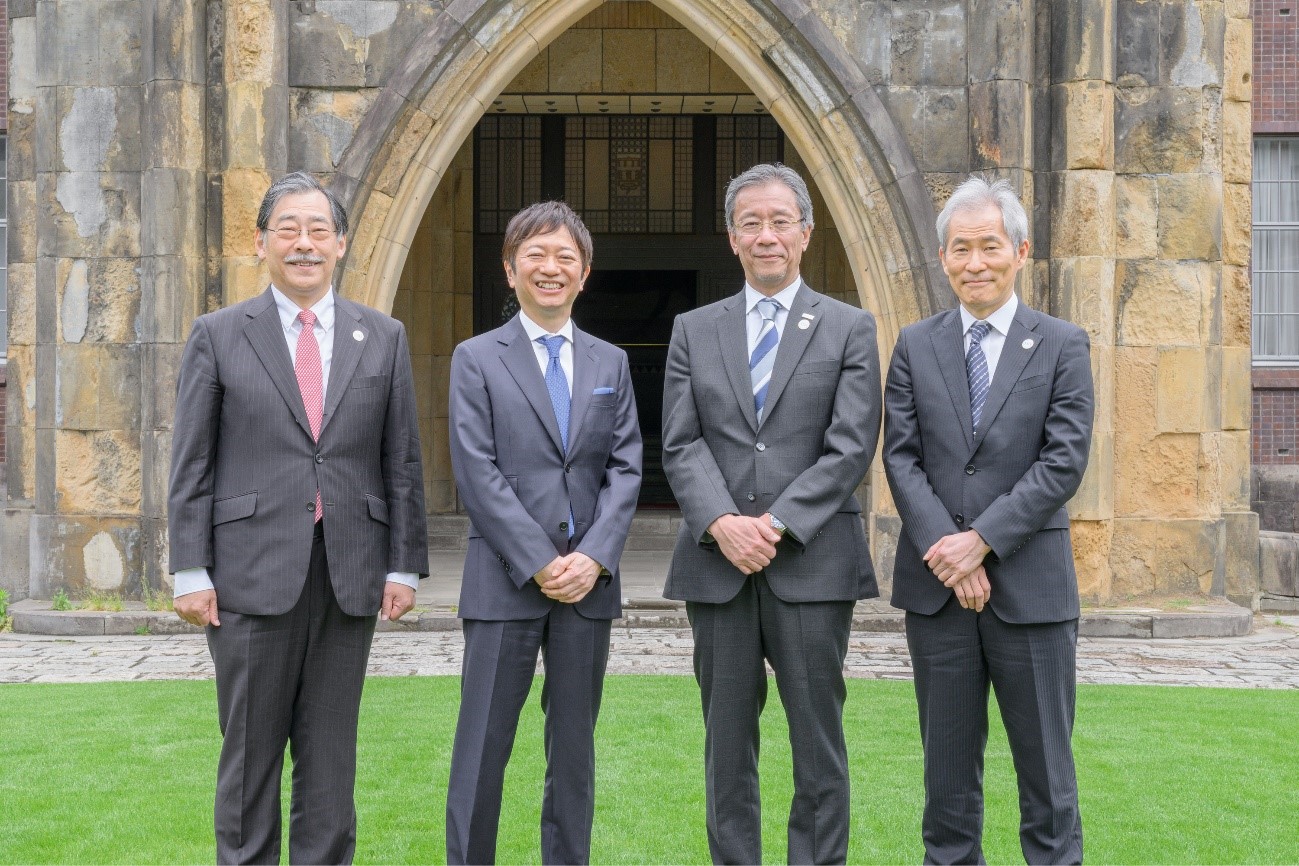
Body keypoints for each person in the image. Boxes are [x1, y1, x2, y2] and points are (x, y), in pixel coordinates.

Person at [168, 171, 429, 864]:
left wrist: (404, 564)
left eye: (318, 230)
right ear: (261, 243)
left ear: (341, 243)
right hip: (248, 576)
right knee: (250, 758)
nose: (304, 244)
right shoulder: (219, 335)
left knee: (330, 761)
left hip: (350, 575)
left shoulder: (384, 337)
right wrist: (189, 570)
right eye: (288, 229)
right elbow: (191, 462)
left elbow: (400, 460)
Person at [661, 163, 881, 864]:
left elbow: (849, 445)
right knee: (726, 747)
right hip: (716, 567)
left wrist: (776, 524)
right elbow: (680, 440)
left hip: (810, 563)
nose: (766, 236)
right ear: (731, 238)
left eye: (779, 221)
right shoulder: (694, 330)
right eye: (750, 223)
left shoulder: (848, 328)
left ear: (805, 233)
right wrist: (723, 523)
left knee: (817, 744)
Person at [882, 176, 1094, 865]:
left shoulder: (1061, 344)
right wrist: (948, 551)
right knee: (945, 790)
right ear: (942, 258)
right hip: (937, 596)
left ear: (1020, 251)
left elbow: (1062, 463)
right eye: (960, 248)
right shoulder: (914, 344)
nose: (975, 261)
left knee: (1047, 786)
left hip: (1030, 593)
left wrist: (981, 544)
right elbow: (901, 458)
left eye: (988, 246)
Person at [444, 201, 642, 865]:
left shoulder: (610, 364)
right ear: (510, 269)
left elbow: (625, 468)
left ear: (584, 274)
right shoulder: (475, 359)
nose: (550, 267)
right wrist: (536, 560)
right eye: (536, 255)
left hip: (587, 589)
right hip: (503, 583)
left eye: (565, 257)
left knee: (574, 753)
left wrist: (592, 558)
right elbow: (476, 472)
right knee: (481, 752)